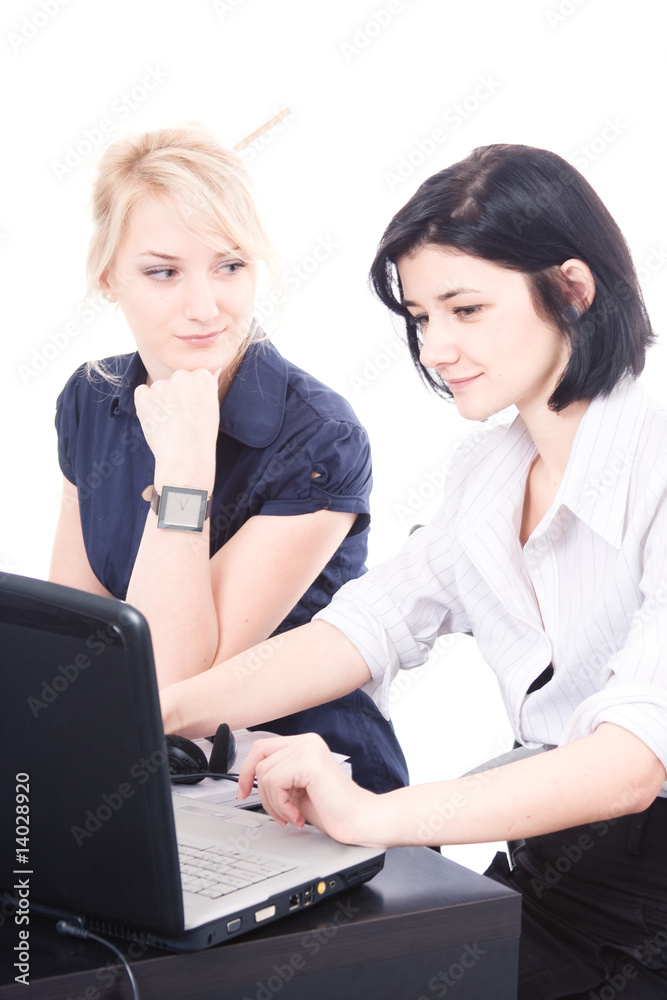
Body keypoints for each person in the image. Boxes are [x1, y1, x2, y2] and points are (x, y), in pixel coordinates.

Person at [160, 144, 667, 999]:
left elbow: (628, 765)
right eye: (421, 317)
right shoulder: (490, 474)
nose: (435, 349)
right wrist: (156, 715)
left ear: (572, 290)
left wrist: (370, 813)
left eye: (465, 309)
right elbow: (365, 627)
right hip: (550, 884)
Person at [49, 123, 408, 795]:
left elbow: (170, 686)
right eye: (163, 272)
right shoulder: (90, 401)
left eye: (230, 266)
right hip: (146, 776)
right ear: (108, 278)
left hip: (305, 792)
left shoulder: (319, 437)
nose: (204, 306)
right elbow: (76, 645)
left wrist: (184, 466)